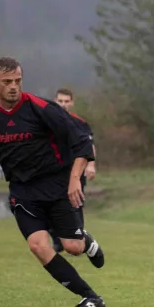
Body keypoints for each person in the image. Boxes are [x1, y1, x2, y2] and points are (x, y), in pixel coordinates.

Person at [0, 57, 106, 307]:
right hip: (23, 190)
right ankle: (90, 297)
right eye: (7, 82)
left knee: (73, 247)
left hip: (57, 184)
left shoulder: (42, 108)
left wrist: (73, 181)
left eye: (18, 80)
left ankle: (86, 241)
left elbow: (82, 143)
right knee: (38, 245)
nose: (14, 86)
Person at [48, 88, 97, 253]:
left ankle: (79, 240)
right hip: (52, 172)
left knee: (75, 205)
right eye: (60, 101)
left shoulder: (80, 123)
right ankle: (58, 240)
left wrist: (90, 165)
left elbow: (89, 146)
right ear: (55, 101)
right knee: (47, 205)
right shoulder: (47, 121)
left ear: (72, 102)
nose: (63, 104)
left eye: (66, 101)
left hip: (75, 172)